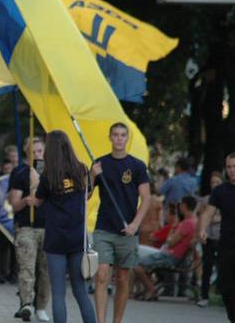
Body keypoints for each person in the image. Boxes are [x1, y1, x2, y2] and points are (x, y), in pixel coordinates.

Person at [31, 131, 96, 323]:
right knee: (80, 291)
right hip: (77, 237)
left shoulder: (48, 176)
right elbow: (87, 195)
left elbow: (38, 201)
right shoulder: (82, 170)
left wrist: (33, 187)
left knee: (58, 294)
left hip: (55, 238)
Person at [90, 122, 150, 323]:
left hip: (128, 231)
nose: (119, 138)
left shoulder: (137, 166)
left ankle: (117, 321)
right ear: (110, 137)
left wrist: (135, 224)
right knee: (101, 275)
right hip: (104, 228)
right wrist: (92, 176)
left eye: (122, 135)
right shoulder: (100, 164)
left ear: (127, 138)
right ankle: (100, 321)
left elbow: (146, 198)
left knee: (123, 278)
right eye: (115, 134)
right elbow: (86, 195)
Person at [199, 153, 235, 323]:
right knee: (226, 287)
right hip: (225, 244)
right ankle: (234, 318)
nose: (232, 170)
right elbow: (208, 213)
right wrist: (203, 229)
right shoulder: (220, 191)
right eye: (229, 167)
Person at [8, 137, 50, 322]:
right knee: (27, 268)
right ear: (26, 151)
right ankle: (26, 304)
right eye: (34, 151)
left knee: (45, 270)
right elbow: (13, 203)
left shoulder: (50, 171)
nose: (37, 154)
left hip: (49, 227)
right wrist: (26, 200)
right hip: (26, 228)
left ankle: (41, 306)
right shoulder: (19, 172)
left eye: (40, 151)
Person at [132, 196, 197, 300]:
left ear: (184, 206)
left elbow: (170, 242)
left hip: (171, 257)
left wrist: (171, 233)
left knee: (136, 264)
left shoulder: (187, 223)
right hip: (177, 257)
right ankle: (147, 289)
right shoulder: (194, 222)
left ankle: (151, 289)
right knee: (141, 260)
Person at [196, 171, 223, 308]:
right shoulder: (205, 200)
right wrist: (200, 232)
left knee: (223, 267)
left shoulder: (226, 197)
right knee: (207, 267)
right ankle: (204, 295)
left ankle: (222, 293)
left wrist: (212, 218)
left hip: (222, 237)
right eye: (213, 182)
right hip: (208, 236)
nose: (215, 185)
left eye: (217, 182)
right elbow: (201, 217)